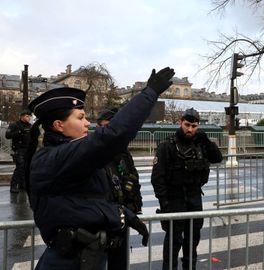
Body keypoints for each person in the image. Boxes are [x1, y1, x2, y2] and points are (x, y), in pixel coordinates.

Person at [25, 67, 175, 270]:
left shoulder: (66, 154)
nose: (87, 123)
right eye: (80, 118)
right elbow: (111, 137)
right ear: (59, 125)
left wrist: (122, 214)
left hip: (87, 257)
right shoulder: (55, 158)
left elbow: (82, 202)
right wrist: (149, 94)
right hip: (70, 262)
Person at [151, 108, 223, 270]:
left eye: (194, 126)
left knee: (192, 241)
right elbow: (157, 179)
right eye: (187, 125)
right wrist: (165, 205)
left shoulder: (200, 143)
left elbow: (217, 158)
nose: (190, 129)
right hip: (174, 199)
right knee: (173, 243)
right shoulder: (167, 146)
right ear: (180, 122)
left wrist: (206, 141)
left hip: (194, 198)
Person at [96, 107, 143, 270]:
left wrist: (134, 208)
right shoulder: (93, 153)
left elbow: (132, 179)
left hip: (121, 218)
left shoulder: (123, 153)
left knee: (119, 263)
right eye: (108, 127)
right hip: (102, 222)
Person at [5, 109, 32, 193]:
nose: (29, 118)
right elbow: (7, 135)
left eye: (30, 116)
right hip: (18, 149)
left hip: (27, 149)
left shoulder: (29, 126)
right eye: (27, 116)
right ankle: (13, 186)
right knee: (19, 167)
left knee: (25, 167)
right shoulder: (14, 125)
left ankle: (22, 185)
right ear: (22, 117)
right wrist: (19, 132)